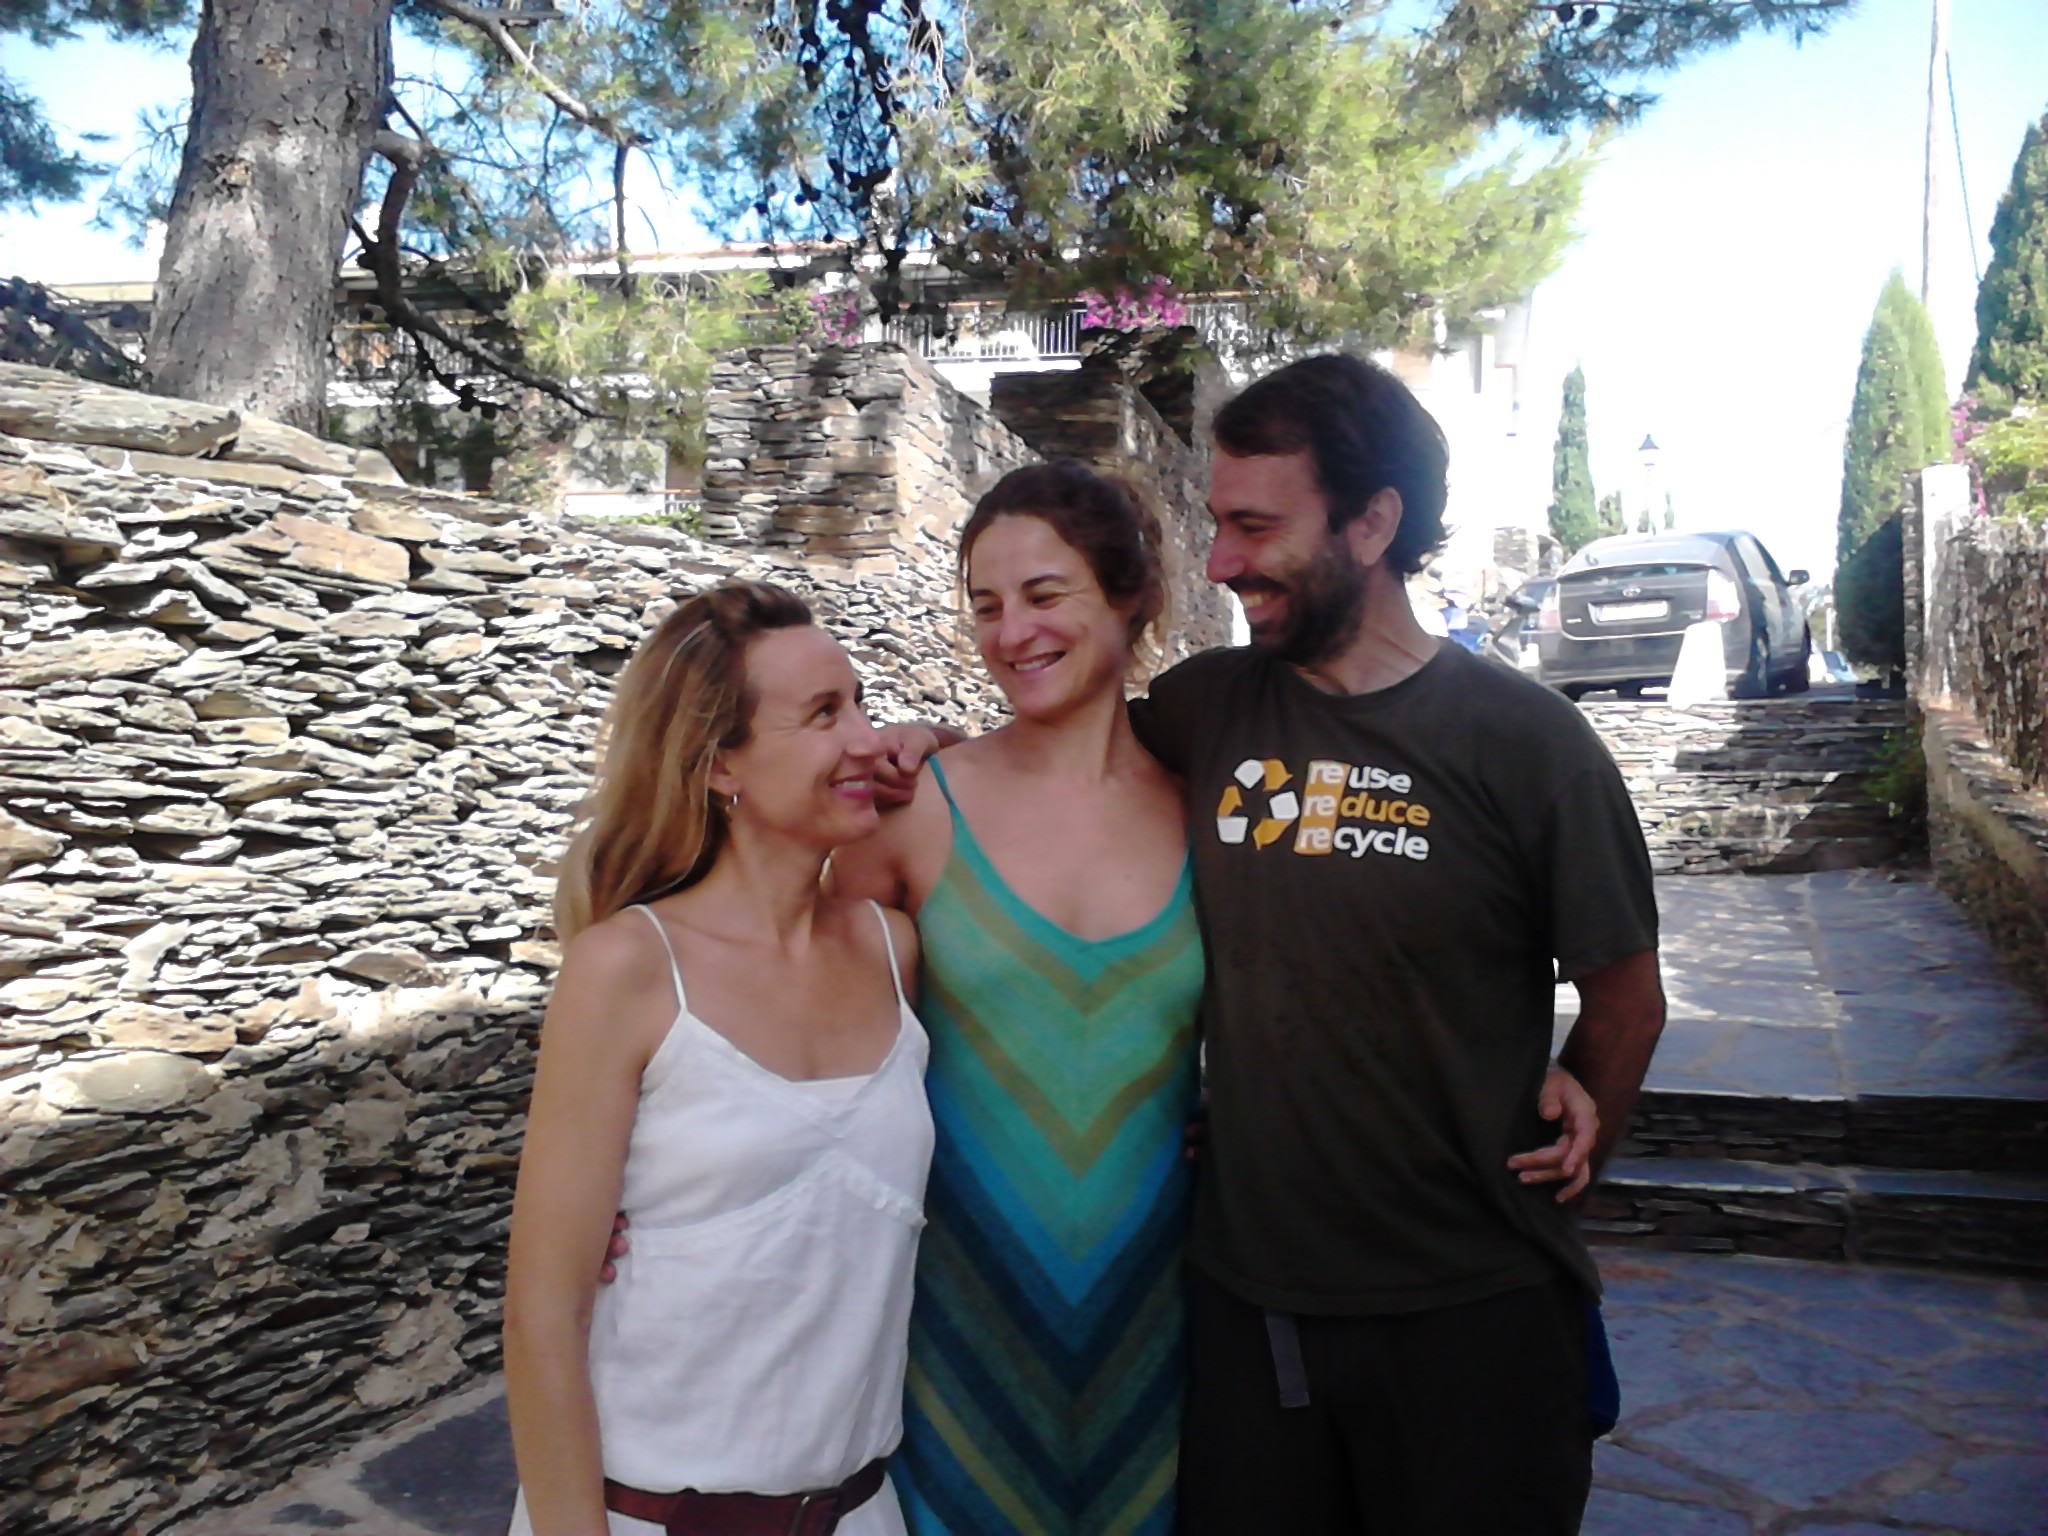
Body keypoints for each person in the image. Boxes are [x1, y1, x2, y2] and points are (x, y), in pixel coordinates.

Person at [825, 461, 1605, 1536]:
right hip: (956, 1324)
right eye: (986, 605)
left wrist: (1549, 1071)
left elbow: (1326, 966)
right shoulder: (917, 812)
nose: (1011, 632)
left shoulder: (1214, 805)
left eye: (1044, 595)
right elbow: (807, 1031)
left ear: (1133, 598)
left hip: (1165, 1326)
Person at [1145, 354, 1663, 1536]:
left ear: (1372, 523)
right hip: (1251, 1311)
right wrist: (922, 753)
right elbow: (1051, 778)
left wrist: (1570, 1131)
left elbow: (1625, 1001)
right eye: (1218, 523)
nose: (1218, 562)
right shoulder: (1207, 707)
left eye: (1254, 526)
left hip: (1476, 1317)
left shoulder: (1527, 744)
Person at [503, 580, 932, 1536]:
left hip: (858, 1514)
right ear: (719, 763)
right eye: (824, 713)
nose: (866, 737)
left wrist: (942, 747)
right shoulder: (628, 968)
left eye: (861, 703)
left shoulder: (891, 951)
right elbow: (543, 1319)